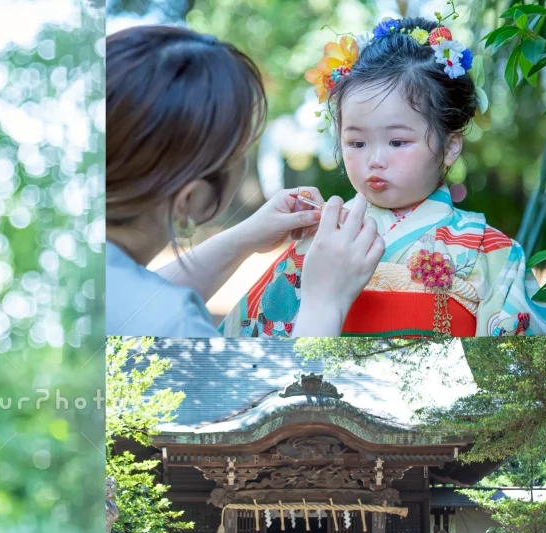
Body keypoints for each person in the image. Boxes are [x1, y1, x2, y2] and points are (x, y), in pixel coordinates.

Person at [222, 15, 546, 337]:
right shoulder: (323, 238)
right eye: (357, 142)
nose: (375, 160)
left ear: (449, 147)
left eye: (397, 142)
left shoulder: (491, 253)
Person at [105, 25, 386, 338]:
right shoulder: (175, 327)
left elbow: (143, 302)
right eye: (241, 152)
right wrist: (325, 303)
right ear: (189, 199)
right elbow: (284, 389)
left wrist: (244, 237)